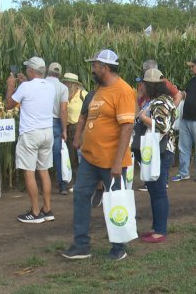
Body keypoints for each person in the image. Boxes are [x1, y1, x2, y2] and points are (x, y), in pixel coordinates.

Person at [62, 49, 135, 261]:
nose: (92, 68)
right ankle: (81, 245)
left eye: (95, 65)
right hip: (91, 159)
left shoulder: (123, 91)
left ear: (105, 68)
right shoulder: (100, 89)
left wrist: (117, 161)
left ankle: (119, 247)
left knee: (115, 202)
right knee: (80, 196)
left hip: (111, 160)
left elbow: (127, 128)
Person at [5, 56, 56, 223]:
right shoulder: (50, 86)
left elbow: (8, 105)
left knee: (29, 171)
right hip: (47, 133)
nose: (26, 70)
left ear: (32, 70)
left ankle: (35, 212)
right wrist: (26, 82)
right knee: (44, 171)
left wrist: (11, 87)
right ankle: (47, 209)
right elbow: (36, 93)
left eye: (28, 68)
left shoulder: (25, 87)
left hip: (30, 134)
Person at [136, 68, 176, 243]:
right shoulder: (155, 101)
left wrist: (143, 118)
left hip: (161, 151)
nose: (140, 85)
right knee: (153, 190)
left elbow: (162, 126)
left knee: (159, 191)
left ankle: (160, 230)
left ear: (150, 85)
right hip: (153, 150)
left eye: (143, 83)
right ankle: (156, 227)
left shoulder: (162, 102)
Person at [61, 73, 88, 190]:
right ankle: (76, 181)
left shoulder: (83, 94)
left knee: (82, 156)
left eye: (66, 83)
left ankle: (84, 181)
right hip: (68, 128)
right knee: (72, 157)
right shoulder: (64, 96)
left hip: (80, 128)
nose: (65, 84)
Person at [45, 62, 69, 195]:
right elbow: (63, 110)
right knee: (58, 155)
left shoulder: (41, 84)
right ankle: (62, 185)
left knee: (42, 154)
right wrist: (64, 130)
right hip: (55, 123)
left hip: (42, 123)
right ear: (60, 74)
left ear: (47, 71)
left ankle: (43, 184)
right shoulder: (63, 88)